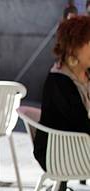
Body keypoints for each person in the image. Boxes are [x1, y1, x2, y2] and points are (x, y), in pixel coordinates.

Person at [34, 16, 90, 169]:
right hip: (58, 154)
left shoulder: (86, 74)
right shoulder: (59, 81)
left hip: (82, 147)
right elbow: (81, 124)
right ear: (74, 47)